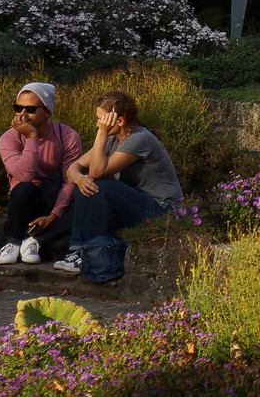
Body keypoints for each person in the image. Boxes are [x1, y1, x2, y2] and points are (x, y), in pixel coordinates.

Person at [53, 90, 183, 275]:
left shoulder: (139, 139)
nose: (97, 124)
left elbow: (98, 172)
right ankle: (78, 250)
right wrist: (80, 179)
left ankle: (87, 251)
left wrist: (101, 134)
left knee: (100, 184)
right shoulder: (113, 140)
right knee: (87, 182)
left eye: (101, 120)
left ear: (119, 121)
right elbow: (73, 168)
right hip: (136, 207)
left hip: (162, 210)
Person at [0, 81, 83, 265]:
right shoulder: (8, 139)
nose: (22, 114)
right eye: (18, 108)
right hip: (25, 201)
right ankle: (13, 242)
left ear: (47, 112)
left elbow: (70, 180)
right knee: (24, 187)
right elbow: (24, 175)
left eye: (30, 109)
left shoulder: (67, 136)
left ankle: (35, 242)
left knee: (86, 195)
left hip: (57, 200)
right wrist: (32, 137)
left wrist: (53, 216)